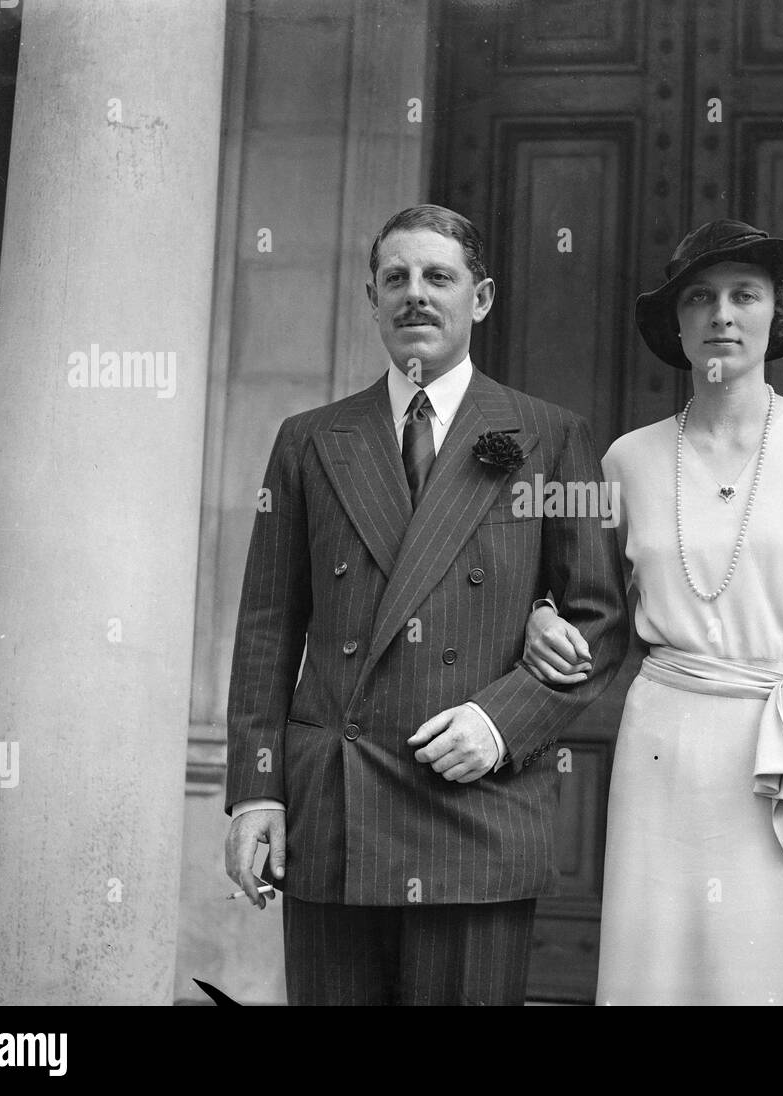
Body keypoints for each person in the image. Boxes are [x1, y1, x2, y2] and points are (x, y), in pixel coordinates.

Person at [523, 219, 783, 1005]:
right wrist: (539, 613)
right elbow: (577, 594)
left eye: (743, 295)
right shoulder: (627, 460)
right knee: (658, 977)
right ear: (677, 325)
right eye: (701, 298)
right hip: (666, 752)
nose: (722, 314)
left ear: (776, 316)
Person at [223, 204, 629, 1006]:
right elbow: (268, 626)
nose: (416, 295)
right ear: (371, 299)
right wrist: (258, 789)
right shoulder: (307, 439)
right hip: (334, 804)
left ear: (479, 299)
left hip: (475, 804)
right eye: (396, 279)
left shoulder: (554, 437)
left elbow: (600, 618)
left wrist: (500, 722)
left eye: (438, 277)